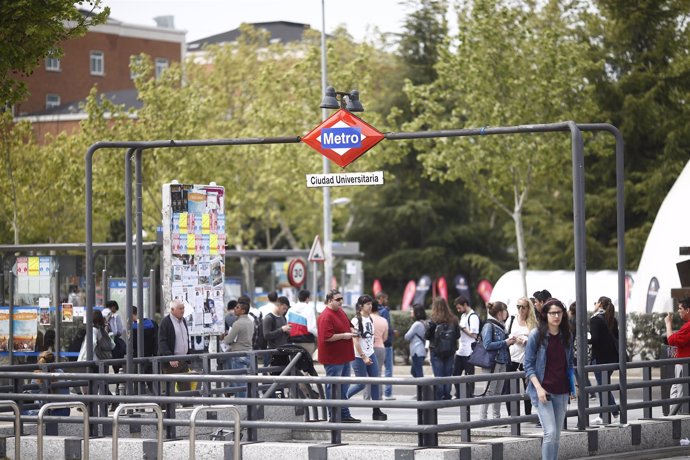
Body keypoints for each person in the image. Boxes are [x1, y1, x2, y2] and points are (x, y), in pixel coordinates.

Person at [524, 298, 576, 460]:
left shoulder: (567, 335)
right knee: (550, 432)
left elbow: (569, 364)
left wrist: (573, 387)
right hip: (543, 391)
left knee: (557, 435)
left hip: (561, 391)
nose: (556, 316)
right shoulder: (536, 335)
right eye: (552, 313)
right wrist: (538, 388)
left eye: (559, 313)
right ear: (545, 315)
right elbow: (528, 365)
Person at [317, 289, 360, 423]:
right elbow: (327, 337)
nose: (341, 301)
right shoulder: (326, 316)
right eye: (338, 299)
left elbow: (348, 324)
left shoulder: (340, 311)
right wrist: (344, 335)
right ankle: (334, 415)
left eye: (342, 299)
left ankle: (344, 414)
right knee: (333, 386)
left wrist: (353, 330)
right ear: (330, 301)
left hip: (344, 355)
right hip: (333, 358)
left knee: (344, 386)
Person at [346, 295, 387, 421]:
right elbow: (355, 341)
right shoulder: (356, 320)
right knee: (361, 384)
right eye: (367, 304)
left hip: (371, 353)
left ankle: (376, 410)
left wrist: (369, 353)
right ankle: (340, 400)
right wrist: (363, 356)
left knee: (375, 381)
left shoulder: (369, 318)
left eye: (370, 304)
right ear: (360, 306)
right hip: (359, 356)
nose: (370, 306)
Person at [478, 301, 515, 420]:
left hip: (502, 361)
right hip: (492, 363)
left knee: (498, 391)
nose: (507, 313)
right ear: (499, 313)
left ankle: (496, 417)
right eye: (505, 310)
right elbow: (487, 345)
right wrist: (505, 342)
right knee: (489, 391)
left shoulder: (501, 325)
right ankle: (483, 418)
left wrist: (508, 342)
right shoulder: (489, 325)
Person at [503, 297, 538, 417]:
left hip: (527, 359)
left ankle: (528, 414)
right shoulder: (511, 319)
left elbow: (537, 339)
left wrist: (528, 340)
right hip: (512, 357)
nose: (520, 309)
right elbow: (505, 336)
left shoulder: (533, 322)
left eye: (523, 307)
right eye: (518, 306)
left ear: (529, 308)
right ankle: (512, 415)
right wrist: (515, 339)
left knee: (528, 387)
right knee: (509, 388)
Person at [589, 296, 620, 425]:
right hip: (612, 358)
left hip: (600, 359)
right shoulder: (613, 319)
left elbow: (595, 339)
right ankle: (604, 414)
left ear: (600, 304)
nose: (594, 304)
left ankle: (615, 412)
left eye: (595, 302)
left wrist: (585, 340)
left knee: (603, 386)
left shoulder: (595, 319)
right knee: (603, 386)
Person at [426, 297, 460, 400]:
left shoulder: (433, 319)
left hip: (436, 350)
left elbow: (427, 336)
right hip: (450, 350)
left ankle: (439, 395)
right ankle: (447, 395)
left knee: (439, 374)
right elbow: (458, 335)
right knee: (448, 374)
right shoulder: (453, 319)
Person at [158, 299, 192, 392]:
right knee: (168, 391)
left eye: (183, 308)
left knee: (186, 390)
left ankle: (187, 406)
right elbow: (162, 342)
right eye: (180, 308)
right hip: (171, 363)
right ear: (172, 310)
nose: (183, 310)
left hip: (183, 361)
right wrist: (170, 357)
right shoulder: (166, 322)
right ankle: (165, 407)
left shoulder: (183, 321)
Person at [222, 298, 253, 397]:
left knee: (239, 383)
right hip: (249, 353)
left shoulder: (237, 323)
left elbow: (228, 340)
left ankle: (241, 404)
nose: (235, 309)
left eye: (237, 307)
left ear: (243, 310)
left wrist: (224, 336)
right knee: (248, 382)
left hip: (238, 354)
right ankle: (248, 404)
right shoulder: (250, 321)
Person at [665, 297, 690, 415]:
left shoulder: (688, 327)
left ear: (688, 310)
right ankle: (672, 418)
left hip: (684, 365)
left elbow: (671, 340)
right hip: (681, 364)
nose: (679, 311)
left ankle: (675, 420)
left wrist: (668, 323)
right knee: (675, 391)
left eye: (680, 309)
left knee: (679, 394)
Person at [453, 295, 480, 398]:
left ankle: (469, 395)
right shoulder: (463, 316)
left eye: (459, 307)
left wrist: (463, 328)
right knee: (455, 374)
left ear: (465, 305)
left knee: (469, 376)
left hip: (469, 351)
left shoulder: (473, 317)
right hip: (461, 350)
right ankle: (459, 393)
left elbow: (474, 335)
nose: (458, 310)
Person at [364, 300, 388, 400]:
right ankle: (378, 396)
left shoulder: (367, 319)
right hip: (381, 348)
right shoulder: (384, 320)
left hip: (369, 348)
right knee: (378, 373)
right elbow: (385, 338)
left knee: (367, 373)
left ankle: (367, 396)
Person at [376, 291, 396, 400]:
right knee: (388, 369)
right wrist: (392, 332)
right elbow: (386, 327)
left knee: (377, 370)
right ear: (381, 298)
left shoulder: (373, 311)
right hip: (386, 343)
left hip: (376, 344)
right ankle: (388, 393)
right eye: (385, 299)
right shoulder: (385, 311)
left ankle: (376, 394)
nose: (387, 301)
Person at [287, 289, 318, 356]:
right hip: (306, 341)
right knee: (306, 364)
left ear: (298, 298)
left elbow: (286, 324)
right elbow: (311, 328)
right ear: (307, 298)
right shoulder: (309, 309)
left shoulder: (290, 309)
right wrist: (319, 335)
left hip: (293, 342)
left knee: (294, 364)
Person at [404, 304, 427, 378]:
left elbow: (407, 336)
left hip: (416, 351)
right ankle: (424, 389)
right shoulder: (425, 322)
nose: (411, 312)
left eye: (412, 310)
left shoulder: (417, 324)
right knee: (414, 372)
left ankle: (425, 389)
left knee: (418, 374)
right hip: (422, 351)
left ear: (417, 312)